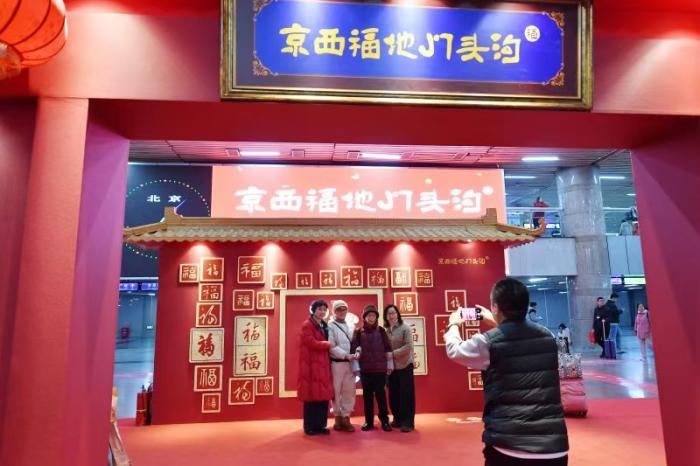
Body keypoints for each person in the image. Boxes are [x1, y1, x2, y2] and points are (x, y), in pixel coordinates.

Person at [445, 278, 569, 465]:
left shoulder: (488, 342)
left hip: (508, 445)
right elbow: (517, 339)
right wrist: (496, 322)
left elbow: (454, 350)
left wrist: (453, 324)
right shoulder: (548, 336)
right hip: (554, 448)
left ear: (495, 307)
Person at [351, 304, 394, 432]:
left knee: (381, 396)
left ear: (376, 317)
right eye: (369, 315)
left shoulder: (381, 331)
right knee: (367, 397)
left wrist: (390, 364)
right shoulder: (359, 332)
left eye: (373, 315)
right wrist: (356, 361)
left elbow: (388, 348)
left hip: (380, 370)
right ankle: (368, 421)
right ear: (364, 317)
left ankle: (385, 421)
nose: (371, 318)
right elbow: (354, 348)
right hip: (365, 370)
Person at [298, 299, 335, 436]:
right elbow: (310, 342)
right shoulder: (307, 325)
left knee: (323, 395)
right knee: (311, 397)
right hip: (311, 365)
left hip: (323, 365)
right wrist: (327, 344)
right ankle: (309, 427)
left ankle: (321, 425)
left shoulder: (324, 325)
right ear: (313, 310)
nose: (322, 312)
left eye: (324, 309)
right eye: (319, 309)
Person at [384, 304, 416, 433]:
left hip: (405, 365)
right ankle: (397, 419)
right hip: (391, 368)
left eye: (393, 313)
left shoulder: (405, 328)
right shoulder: (386, 330)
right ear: (386, 316)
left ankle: (408, 422)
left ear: (397, 314)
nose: (391, 315)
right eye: (389, 314)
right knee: (394, 394)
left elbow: (409, 346)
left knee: (406, 395)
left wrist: (393, 354)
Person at [327, 300, 357, 432]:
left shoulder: (351, 325)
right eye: (338, 309)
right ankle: (337, 417)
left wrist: (357, 352)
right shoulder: (330, 326)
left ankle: (346, 417)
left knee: (349, 390)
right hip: (336, 363)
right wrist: (345, 355)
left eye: (344, 309)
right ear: (334, 311)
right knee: (336, 391)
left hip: (351, 364)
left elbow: (356, 342)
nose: (342, 312)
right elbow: (331, 345)